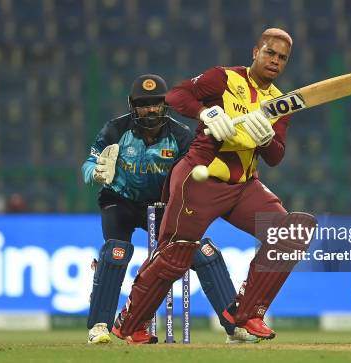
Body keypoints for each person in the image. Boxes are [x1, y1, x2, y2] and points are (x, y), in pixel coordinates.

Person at [112, 29, 316, 344]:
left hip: (244, 187)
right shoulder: (223, 79)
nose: (275, 61)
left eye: (282, 58)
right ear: (255, 52)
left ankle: (245, 315)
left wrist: (267, 140)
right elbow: (177, 95)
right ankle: (129, 325)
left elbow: (275, 157)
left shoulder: (280, 103)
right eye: (269, 53)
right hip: (199, 178)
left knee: (291, 233)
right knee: (175, 255)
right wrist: (204, 111)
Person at [82, 74, 257, 344]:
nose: (150, 109)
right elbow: (88, 165)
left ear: (165, 105)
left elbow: (195, 175)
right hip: (121, 199)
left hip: (165, 204)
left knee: (201, 250)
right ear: (132, 105)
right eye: (143, 104)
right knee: (116, 251)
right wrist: (96, 173)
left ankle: (235, 326)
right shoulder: (116, 130)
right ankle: (99, 327)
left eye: (156, 104)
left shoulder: (180, 135)